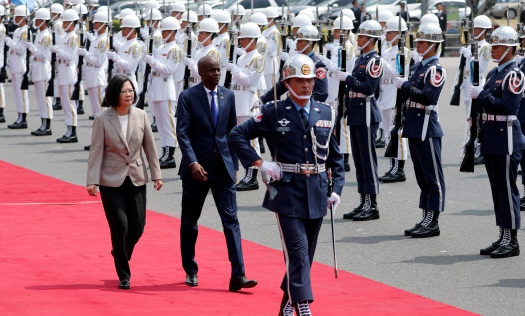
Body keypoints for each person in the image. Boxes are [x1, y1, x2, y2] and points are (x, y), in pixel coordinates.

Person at [229, 54, 345, 316]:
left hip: (317, 191)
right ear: (287, 82)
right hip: (287, 191)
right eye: (299, 80)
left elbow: (335, 158)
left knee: (306, 255)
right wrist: (260, 163)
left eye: (309, 80)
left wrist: (336, 189)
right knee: (298, 250)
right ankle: (301, 304)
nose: (306, 85)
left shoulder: (326, 112)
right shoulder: (274, 111)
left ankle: (286, 304)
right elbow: (237, 135)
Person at [176, 56, 257, 292]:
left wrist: (234, 166)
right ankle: (190, 269)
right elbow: (182, 133)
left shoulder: (228, 96)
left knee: (231, 220)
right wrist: (192, 163)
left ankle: (238, 274)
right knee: (190, 221)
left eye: (218, 70)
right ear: (200, 73)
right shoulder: (188, 97)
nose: (217, 73)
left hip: (223, 168)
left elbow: (232, 132)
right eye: (211, 70)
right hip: (196, 170)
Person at [86, 75, 163, 289]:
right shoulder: (103, 119)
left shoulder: (141, 115)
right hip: (110, 181)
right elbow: (96, 151)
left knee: (137, 226)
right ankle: (123, 274)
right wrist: (92, 181)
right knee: (120, 225)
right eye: (124, 91)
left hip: (137, 177)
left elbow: (150, 147)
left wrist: (156, 175)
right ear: (114, 94)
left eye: (131, 90)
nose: (129, 94)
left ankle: (119, 251)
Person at [471, 26, 524, 258]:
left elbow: (508, 107)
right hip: (493, 134)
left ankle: (511, 240)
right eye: (493, 45)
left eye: (499, 46)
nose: (494, 49)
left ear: (510, 49)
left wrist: (482, 96)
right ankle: (503, 235)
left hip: (506, 136)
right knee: (497, 191)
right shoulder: (494, 73)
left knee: (507, 189)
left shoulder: (515, 75)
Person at [394, 22, 446, 238]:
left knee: (433, 177)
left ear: (433, 45)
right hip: (414, 125)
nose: (418, 44)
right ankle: (425, 216)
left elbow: (428, 97)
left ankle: (433, 220)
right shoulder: (417, 67)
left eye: (423, 41)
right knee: (422, 176)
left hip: (427, 126)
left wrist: (405, 86)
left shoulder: (436, 70)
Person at [337, 20, 383, 222]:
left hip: (366, 113)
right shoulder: (360, 60)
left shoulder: (374, 61)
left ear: (371, 39)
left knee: (367, 160)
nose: (358, 39)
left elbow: (368, 88)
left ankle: (372, 204)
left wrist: (346, 78)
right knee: (359, 161)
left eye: (362, 36)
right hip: (356, 112)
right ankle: (363, 201)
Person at [224, 22, 265, 192]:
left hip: (249, 103)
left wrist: (233, 69)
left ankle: (253, 175)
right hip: (238, 102)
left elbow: (249, 82)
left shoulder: (258, 59)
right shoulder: (241, 58)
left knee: (251, 141)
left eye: (244, 39)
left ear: (252, 40)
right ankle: (247, 171)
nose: (241, 42)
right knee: (239, 141)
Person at [144, 16, 182, 169]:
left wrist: (151, 61)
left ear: (173, 32)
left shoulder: (175, 49)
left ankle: (170, 155)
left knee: (168, 123)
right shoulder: (160, 48)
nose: (163, 33)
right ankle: (164, 152)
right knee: (160, 123)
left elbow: (168, 70)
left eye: (166, 31)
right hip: (156, 88)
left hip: (166, 89)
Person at [378, 16, 411, 183]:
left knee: (398, 135)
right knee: (388, 135)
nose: (387, 35)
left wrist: (381, 62)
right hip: (385, 95)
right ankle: (392, 166)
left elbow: (398, 73)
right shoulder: (388, 51)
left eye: (390, 32)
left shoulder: (403, 52)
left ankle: (400, 169)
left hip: (396, 98)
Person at [456, 15, 492, 165]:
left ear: (483, 31)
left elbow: (480, 68)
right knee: (470, 119)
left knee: (476, 119)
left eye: (476, 29)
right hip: (466, 87)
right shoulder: (470, 46)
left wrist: (469, 54)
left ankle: (478, 148)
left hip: (477, 85)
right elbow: (461, 70)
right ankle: (473, 145)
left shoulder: (486, 48)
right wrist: (457, 86)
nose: (474, 31)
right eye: (473, 28)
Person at [50, 8, 80, 143]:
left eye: (66, 22)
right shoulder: (64, 37)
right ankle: (68, 129)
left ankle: (72, 131)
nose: (63, 24)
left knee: (70, 104)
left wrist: (58, 51)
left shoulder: (73, 37)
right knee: (65, 104)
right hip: (62, 72)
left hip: (68, 73)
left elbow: (70, 56)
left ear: (72, 23)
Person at [26, 8, 53, 136]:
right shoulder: (39, 34)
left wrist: (31, 47)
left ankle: (47, 125)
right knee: (40, 99)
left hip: (43, 69)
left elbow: (44, 55)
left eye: (38, 19)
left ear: (43, 21)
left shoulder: (46, 36)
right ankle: (43, 123)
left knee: (45, 99)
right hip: (37, 68)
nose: (35, 21)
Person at [5, 5, 30, 130]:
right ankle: (19, 116)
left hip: (21, 65)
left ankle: (23, 118)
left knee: (21, 94)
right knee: (16, 93)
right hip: (14, 64)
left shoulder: (26, 31)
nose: (16, 19)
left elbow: (20, 49)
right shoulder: (17, 31)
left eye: (18, 17)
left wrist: (9, 42)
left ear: (24, 18)